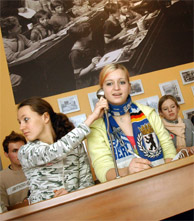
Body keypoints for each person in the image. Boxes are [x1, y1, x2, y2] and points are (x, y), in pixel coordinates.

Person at [87, 63, 176, 183]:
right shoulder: (96, 127)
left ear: (129, 87)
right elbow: (102, 171)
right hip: (126, 192)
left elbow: (168, 148)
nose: (116, 88)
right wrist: (127, 171)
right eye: (109, 83)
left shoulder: (149, 113)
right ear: (102, 91)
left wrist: (168, 176)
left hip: (165, 182)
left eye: (122, 82)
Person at [17, 96, 106, 204]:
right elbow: (53, 152)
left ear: (45, 117)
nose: (21, 127)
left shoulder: (75, 145)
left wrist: (72, 196)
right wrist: (92, 118)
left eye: (26, 119)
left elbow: (87, 182)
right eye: (19, 122)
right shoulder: (25, 152)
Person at [0, 131, 29, 213]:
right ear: (6, 154)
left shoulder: (37, 169)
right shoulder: (2, 178)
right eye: (15, 151)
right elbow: (3, 211)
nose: (20, 154)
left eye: (22, 149)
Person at [69, 22, 101, 89]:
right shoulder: (75, 53)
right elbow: (78, 74)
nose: (92, 32)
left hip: (94, 73)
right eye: (90, 32)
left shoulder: (87, 43)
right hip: (87, 83)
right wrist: (92, 64)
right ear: (83, 36)